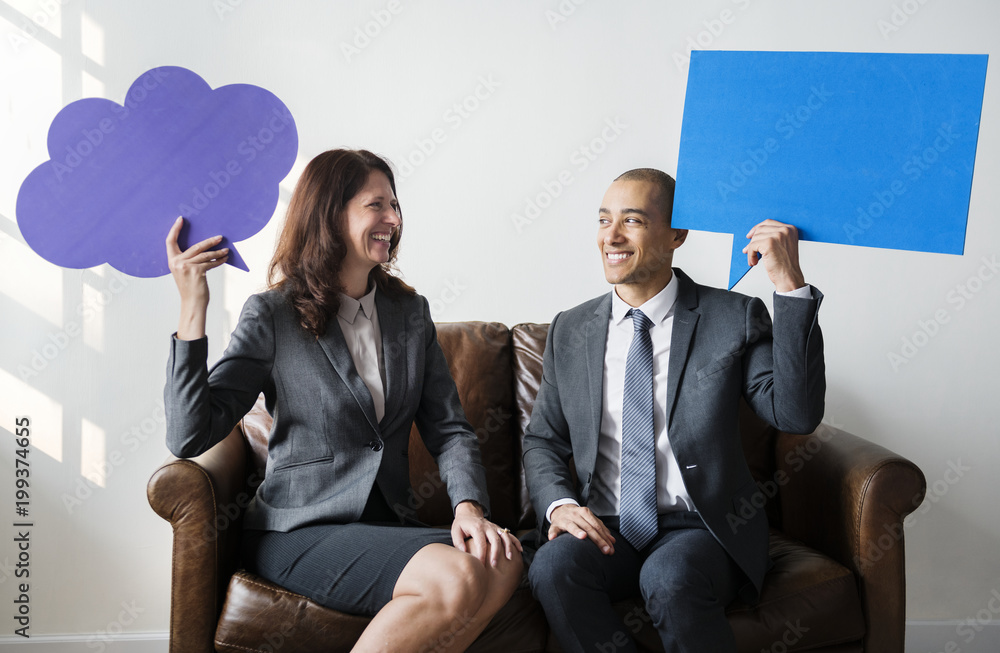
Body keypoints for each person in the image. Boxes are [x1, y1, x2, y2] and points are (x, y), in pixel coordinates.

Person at [163, 149, 522, 651]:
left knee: (502, 561)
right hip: (300, 527)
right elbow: (188, 434)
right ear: (330, 215)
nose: (393, 220)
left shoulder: (409, 312)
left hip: (386, 522)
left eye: (395, 206)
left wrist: (468, 507)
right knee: (454, 577)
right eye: (376, 206)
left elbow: (450, 427)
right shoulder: (273, 315)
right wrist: (192, 309)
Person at [522, 168, 825, 652]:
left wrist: (788, 286)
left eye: (633, 221)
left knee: (671, 578)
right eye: (603, 220)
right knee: (553, 568)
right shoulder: (570, 328)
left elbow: (795, 415)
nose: (612, 237)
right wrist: (561, 505)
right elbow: (544, 440)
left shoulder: (733, 317)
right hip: (605, 523)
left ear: (676, 234)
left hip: (698, 525)